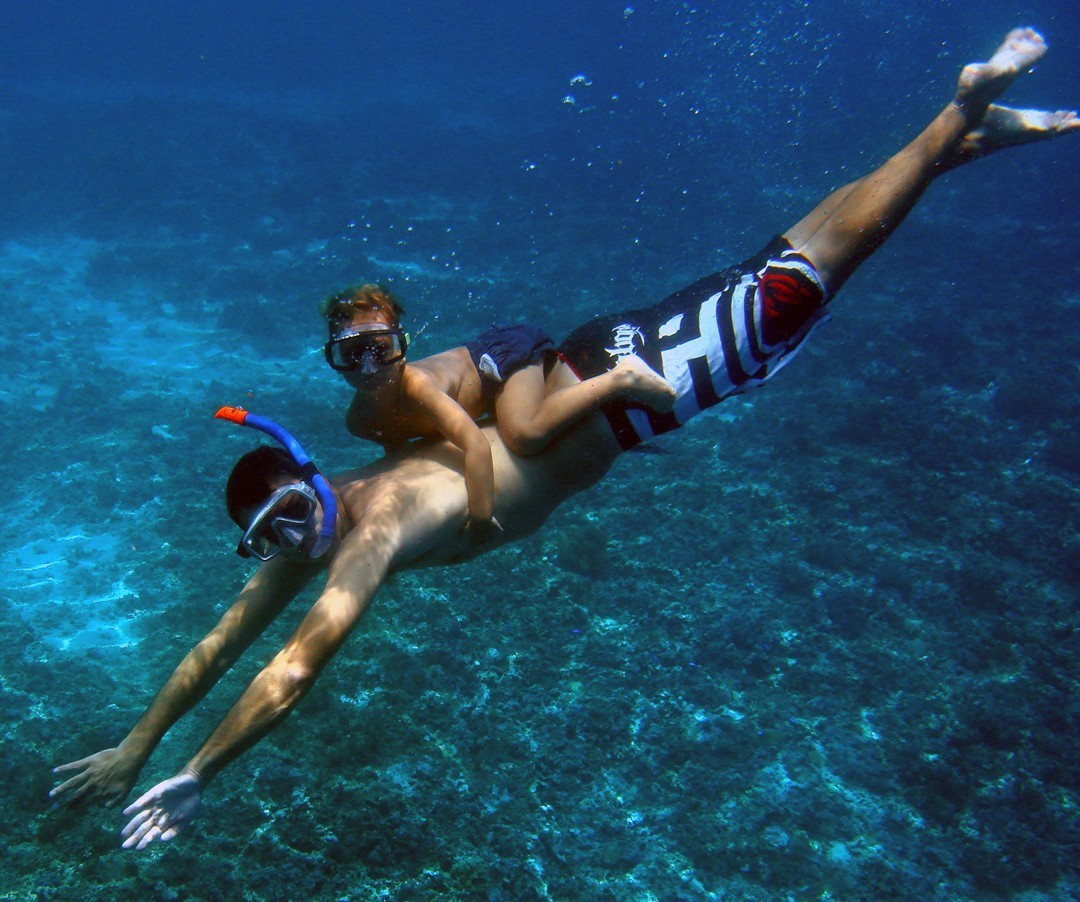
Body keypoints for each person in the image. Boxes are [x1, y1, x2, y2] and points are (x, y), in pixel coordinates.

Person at [49, 27, 1077, 850]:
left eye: (286, 516)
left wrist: (198, 772)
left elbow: (297, 666)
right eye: (269, 538)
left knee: (795, 284)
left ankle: (961, 107)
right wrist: (135, 744)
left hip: (620, 397)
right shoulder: (321, 523)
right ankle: (966, 138)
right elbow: (222, 641)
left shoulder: (375, 524)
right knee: (776, 262)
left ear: (311, 480)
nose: (287, 543)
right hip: (589, 375)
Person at [321, 284, 676, 536]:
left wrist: (480, 516)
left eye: (382, 351)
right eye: (350, 355)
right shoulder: (361, 423)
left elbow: (475, 444)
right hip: (489, 385)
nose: (368, 369)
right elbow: (400, 458)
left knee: (524, 435)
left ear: (404, 346)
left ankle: (622, 378)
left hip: (503, 357)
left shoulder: (418, 387)